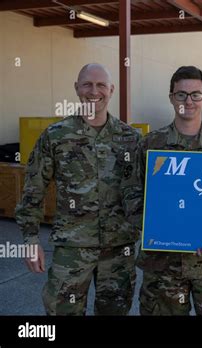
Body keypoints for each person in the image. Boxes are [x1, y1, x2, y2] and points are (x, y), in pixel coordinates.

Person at [15, 63, 141, 315]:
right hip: (72, 248)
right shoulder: (56, 136)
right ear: (76, 88)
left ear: (111, 89)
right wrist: (30, 240)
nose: (94, 91)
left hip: (119, 249)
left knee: (115, 311)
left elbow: (149, 192)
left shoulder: (131, 138)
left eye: (101, 85)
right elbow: (33, 190)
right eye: (87, 84)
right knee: (62, 311)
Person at [122, 66, 202, 316]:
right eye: (181, 95)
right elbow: (131, 195)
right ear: (171, 98)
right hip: (163, 265)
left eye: (195, 94)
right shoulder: (150, 146)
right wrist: (161, 227)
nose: (188, 101)